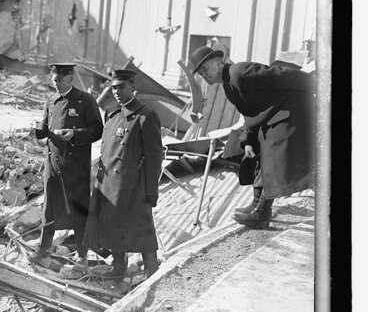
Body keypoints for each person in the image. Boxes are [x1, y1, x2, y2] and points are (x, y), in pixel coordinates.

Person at [188, 46, 315, 227]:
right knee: (257, 153)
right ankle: (256, 204)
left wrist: (313, 81)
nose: (204, 75)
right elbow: (251, 115)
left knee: (273, 152)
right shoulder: (229, 84)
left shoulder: (239, 72)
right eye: (201, 73)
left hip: (293, 110)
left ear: (218, 62)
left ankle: (262, 213)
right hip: (276, 115)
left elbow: (280, 74)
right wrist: (249, 141)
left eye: (206, 69)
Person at [84, 69, 163, 280]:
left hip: (133, 186)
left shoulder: (146, 117)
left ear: (133, 88)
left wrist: (151, 190)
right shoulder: (112, 114)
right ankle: (118, 268)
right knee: (112, 226)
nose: (117, 92)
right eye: (114, 88)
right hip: (109, 184)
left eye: (122, 87)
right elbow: (106, 151)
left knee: (143, 229)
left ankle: (152, 272)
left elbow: (155, 158)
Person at [31, 63, 103, 267]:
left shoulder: (85, 100)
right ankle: (43, 250)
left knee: (78, 210)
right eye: (54, 80)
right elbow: (45, 128)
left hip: (76, 166)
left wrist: (75, 135)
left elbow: (98, 130)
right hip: (53, 164)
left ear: (71, 77)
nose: (57, 84)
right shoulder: (51, 100)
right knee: (50, 208)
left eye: (60, 80)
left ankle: (82, 255)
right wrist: (39, 132)